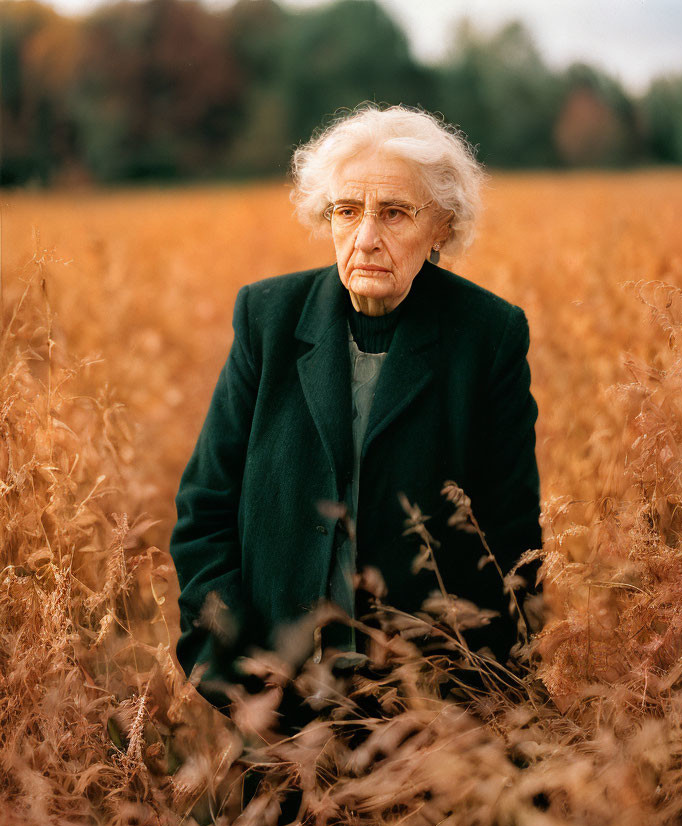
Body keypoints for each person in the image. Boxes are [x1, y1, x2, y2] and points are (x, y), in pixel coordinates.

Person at [169, 104, 543, 714]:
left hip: (430, 720)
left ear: (442, 225)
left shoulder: (488, 337)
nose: (367, 237)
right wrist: (234, 677)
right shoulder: (268, 320)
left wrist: (472, 709)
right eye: (347, 211)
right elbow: (204, 513)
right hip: (279, 711)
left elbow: (509, 545)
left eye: (394, 213)